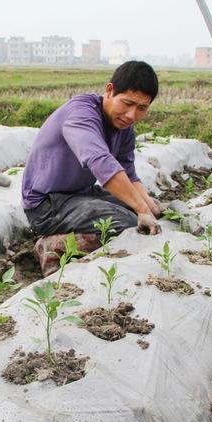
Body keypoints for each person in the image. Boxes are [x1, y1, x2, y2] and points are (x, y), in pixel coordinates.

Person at [22, 61, 166, 276]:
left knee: (137, 208)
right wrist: (142, 210)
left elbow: (128, 173)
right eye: (127, 103)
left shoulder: (123, 128)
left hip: (79, 194)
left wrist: (148, 205)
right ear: (109, 91)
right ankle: (54, 247)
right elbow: (100, 161)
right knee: (126, 223)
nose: (131, 115)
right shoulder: (81, 114)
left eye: (141, 108)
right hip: (47, 205)